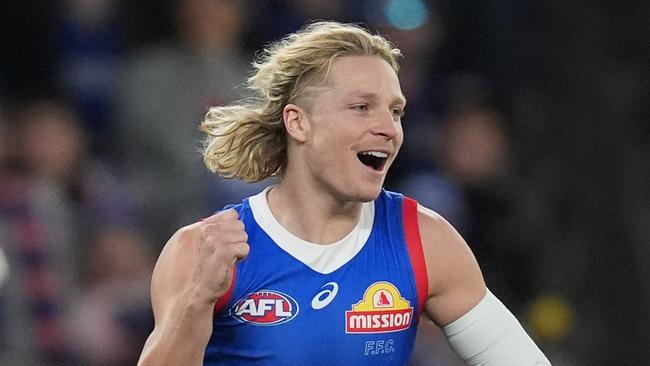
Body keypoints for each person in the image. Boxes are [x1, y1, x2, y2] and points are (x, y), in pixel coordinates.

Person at [137, 22, 551, 365]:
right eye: (361, 107)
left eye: (396, 111)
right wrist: (196, 299)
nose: (388, 129)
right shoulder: (203, 250)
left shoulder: (424, 240)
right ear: (298, 124)